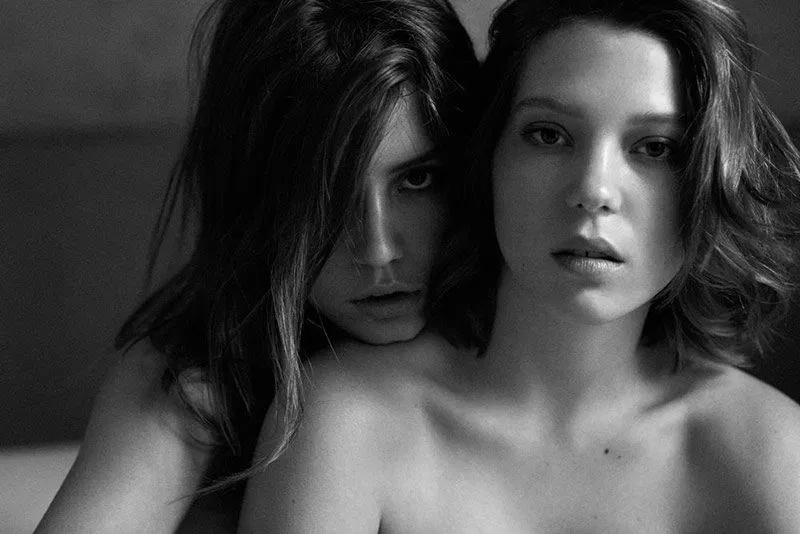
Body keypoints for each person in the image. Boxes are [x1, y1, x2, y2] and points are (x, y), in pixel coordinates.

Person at [239, 0, 800, 532]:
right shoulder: (344, 417)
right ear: (487, 156)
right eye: (548, 135)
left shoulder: (770, 449)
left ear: (711, 178)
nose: (594, 190)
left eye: (656, 148)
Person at [34, 0, 478, 532]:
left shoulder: (528, 346)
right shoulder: (197, 386)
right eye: (326, 192)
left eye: (417, 180)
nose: (378, 250)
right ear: (257, 202)